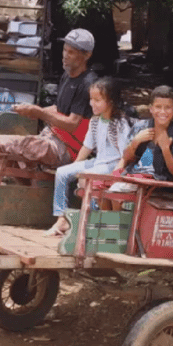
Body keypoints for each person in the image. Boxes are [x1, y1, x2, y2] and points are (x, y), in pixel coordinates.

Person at [0, 29, 97, 216]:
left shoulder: (88, 84)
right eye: (65, 50)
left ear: (87, 55)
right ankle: (4, 201)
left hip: (67, 147)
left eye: (72, 52)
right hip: (51, 136)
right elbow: (58, 109)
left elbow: (72, 123)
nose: (65, 56)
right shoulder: (67, 75)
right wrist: (31, 109)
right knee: (5, 150)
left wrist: (39, 112)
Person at [45, 76, 131, 236]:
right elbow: (87, 146)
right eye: (91, 99)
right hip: (98, 162)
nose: (92, 103)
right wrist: (74, 167)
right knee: (62, 173)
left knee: (86, 179)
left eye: (98, 100)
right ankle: (61, 218)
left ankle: (91, 221)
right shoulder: (95, 121)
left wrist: (116, 175)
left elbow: (125, 154)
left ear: (111, 101)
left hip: (112, 164)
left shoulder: (120, 123)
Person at [109, 85, 173, 196]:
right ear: (151, 109)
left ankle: (117, 211)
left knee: (116, 191)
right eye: (158, 107)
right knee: (102, 191)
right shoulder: (140, 127)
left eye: (167, 107)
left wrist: (165, 149)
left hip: (158, 180)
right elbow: (125, 157)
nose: (162, 112)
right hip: (133, 173)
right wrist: (135, 142)